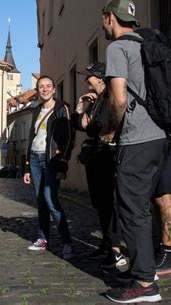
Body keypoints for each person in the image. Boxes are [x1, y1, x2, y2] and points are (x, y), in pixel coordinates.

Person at [99, 0, 165, 303]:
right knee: (141, 208)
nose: (103, 25)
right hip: (159, 137)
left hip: (136, 138)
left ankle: (144, 286)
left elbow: (119, 99)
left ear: (110, 17)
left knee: (131, 209)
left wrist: (110, 130)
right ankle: (145, 270)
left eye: (104, 19)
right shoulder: (147, 44)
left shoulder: (117, 48)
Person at [70, 62, 127, 271]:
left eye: (90, 77)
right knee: (99, 203)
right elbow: (78, 124)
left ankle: (116, 250)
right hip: (95, 157)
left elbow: (96, 127)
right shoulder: (95, 101)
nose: (86, 80)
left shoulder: (110, 98)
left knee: (106, 203)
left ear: (101, 78)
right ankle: (107, 244)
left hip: (106, 156)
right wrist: (79, 105)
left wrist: (89, 124)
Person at [23, 75, 74, 260]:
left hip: (51, 159)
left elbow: (68, 138)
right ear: (37, 90)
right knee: (41, 201)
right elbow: (32, 137)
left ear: (53, 89)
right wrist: (27, 167)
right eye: (41, 87)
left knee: (50, 199)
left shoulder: (62, 109)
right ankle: (43, 238)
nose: (44, 89)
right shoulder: (36, 110)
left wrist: (63, 163)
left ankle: (67, 242)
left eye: (48, 86)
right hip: (35, 159)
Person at [152, 141, 171, 275]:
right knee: (157, 198)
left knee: (164, 197)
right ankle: (162, 248)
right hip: (160, 145)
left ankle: (168, 256)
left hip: (164, 146)